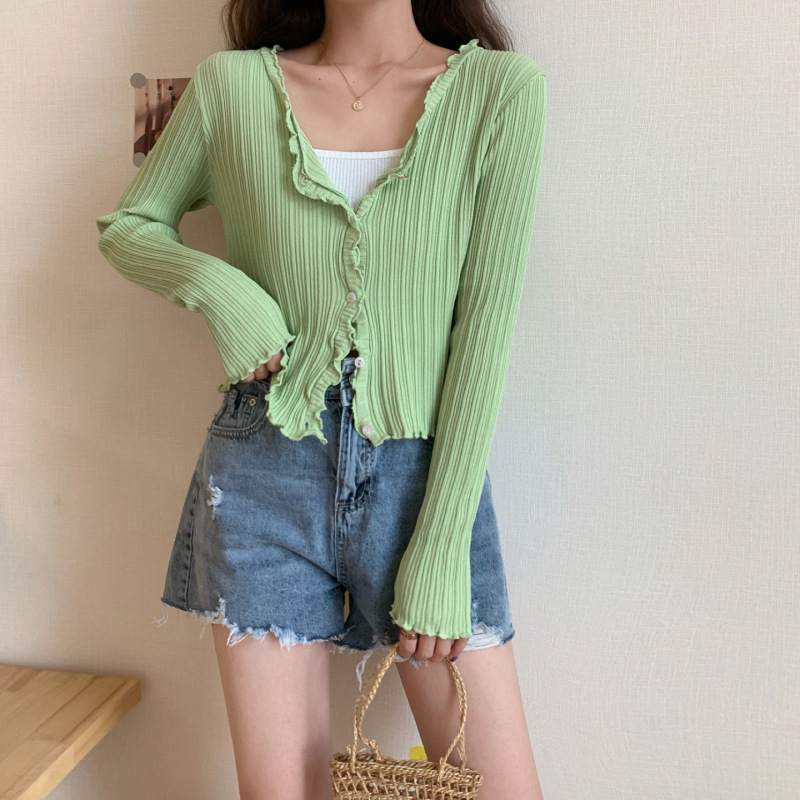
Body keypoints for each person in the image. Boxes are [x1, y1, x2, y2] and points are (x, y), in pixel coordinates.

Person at [96, 1, 547, 797]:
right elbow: (131, 225)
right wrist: (223, 294)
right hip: (263, 470)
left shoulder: (501, 91)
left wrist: (442, 547)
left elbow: (486, 326)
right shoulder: (231, 87)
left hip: (425, 484)